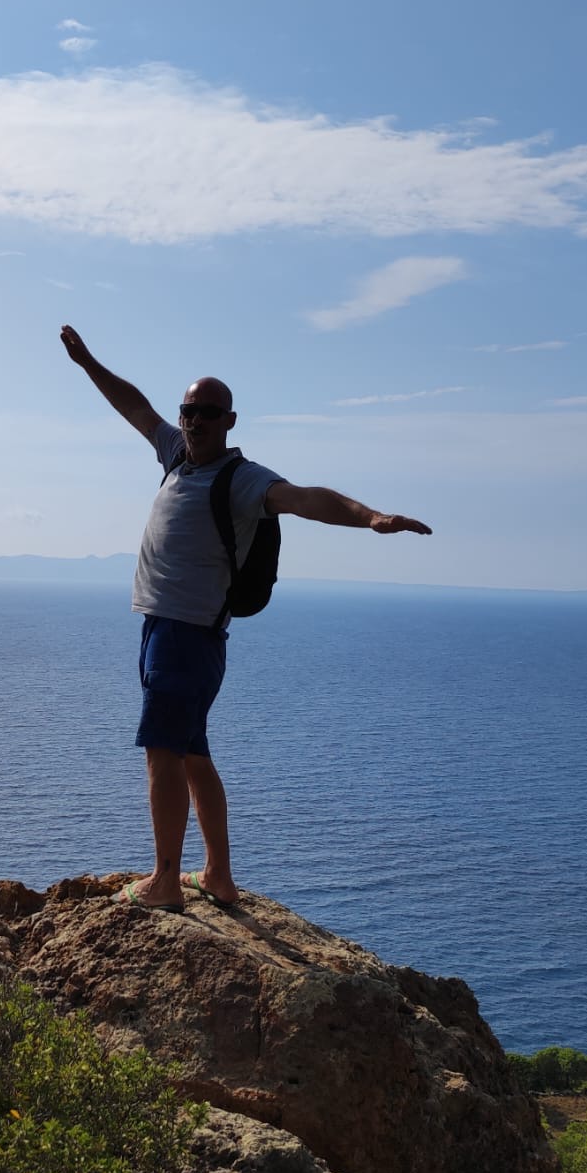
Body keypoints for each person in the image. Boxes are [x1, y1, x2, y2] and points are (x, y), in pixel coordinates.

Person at [60, 323, 432, 913]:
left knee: (162, 751)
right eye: (188, 410)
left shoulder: (243, 479)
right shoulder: (176, 454)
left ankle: (163, 883)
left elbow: (308, 498)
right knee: (190, 754)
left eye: (207, 411)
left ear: (230, 420)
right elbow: (135, 406)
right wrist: (87, 363)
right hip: (167, 629)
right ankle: (218, 877)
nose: (193, 419)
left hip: (187, 634)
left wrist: (372, 517)